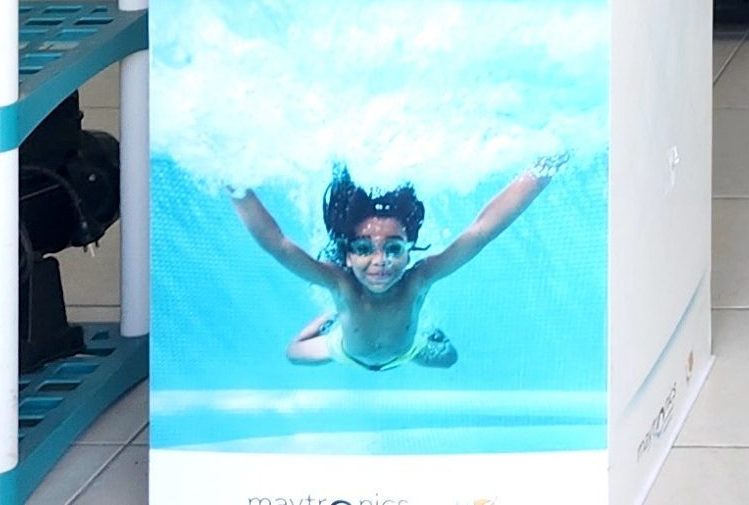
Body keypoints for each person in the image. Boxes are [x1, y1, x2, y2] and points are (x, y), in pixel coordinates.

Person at [231, 154, 568, 373]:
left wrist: (543, 171)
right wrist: (234, 183)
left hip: (407, 351)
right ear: (347, 254)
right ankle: (329, 320)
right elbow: (277, 244)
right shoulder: (341, 283)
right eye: (364, 248)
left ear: (409, 251)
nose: (381, 262)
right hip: (344, 350)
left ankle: (423, 331)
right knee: (292, 352)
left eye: (393, 248)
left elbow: (481, 232)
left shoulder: (418, 280)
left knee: (449, 359)